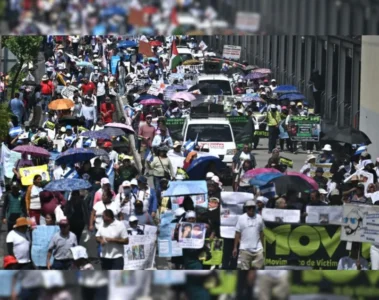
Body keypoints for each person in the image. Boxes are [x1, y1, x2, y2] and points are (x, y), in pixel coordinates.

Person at [233, 200, 265, 270]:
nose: (251, 209)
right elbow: (237, 233)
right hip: (245, 249)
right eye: (249, 208)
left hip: (258, 249)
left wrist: (263, 247)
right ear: (246, 208)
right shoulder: (241, 218)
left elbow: (262, 233)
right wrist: (235, 248)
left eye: (253, 207)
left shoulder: (259, 217)